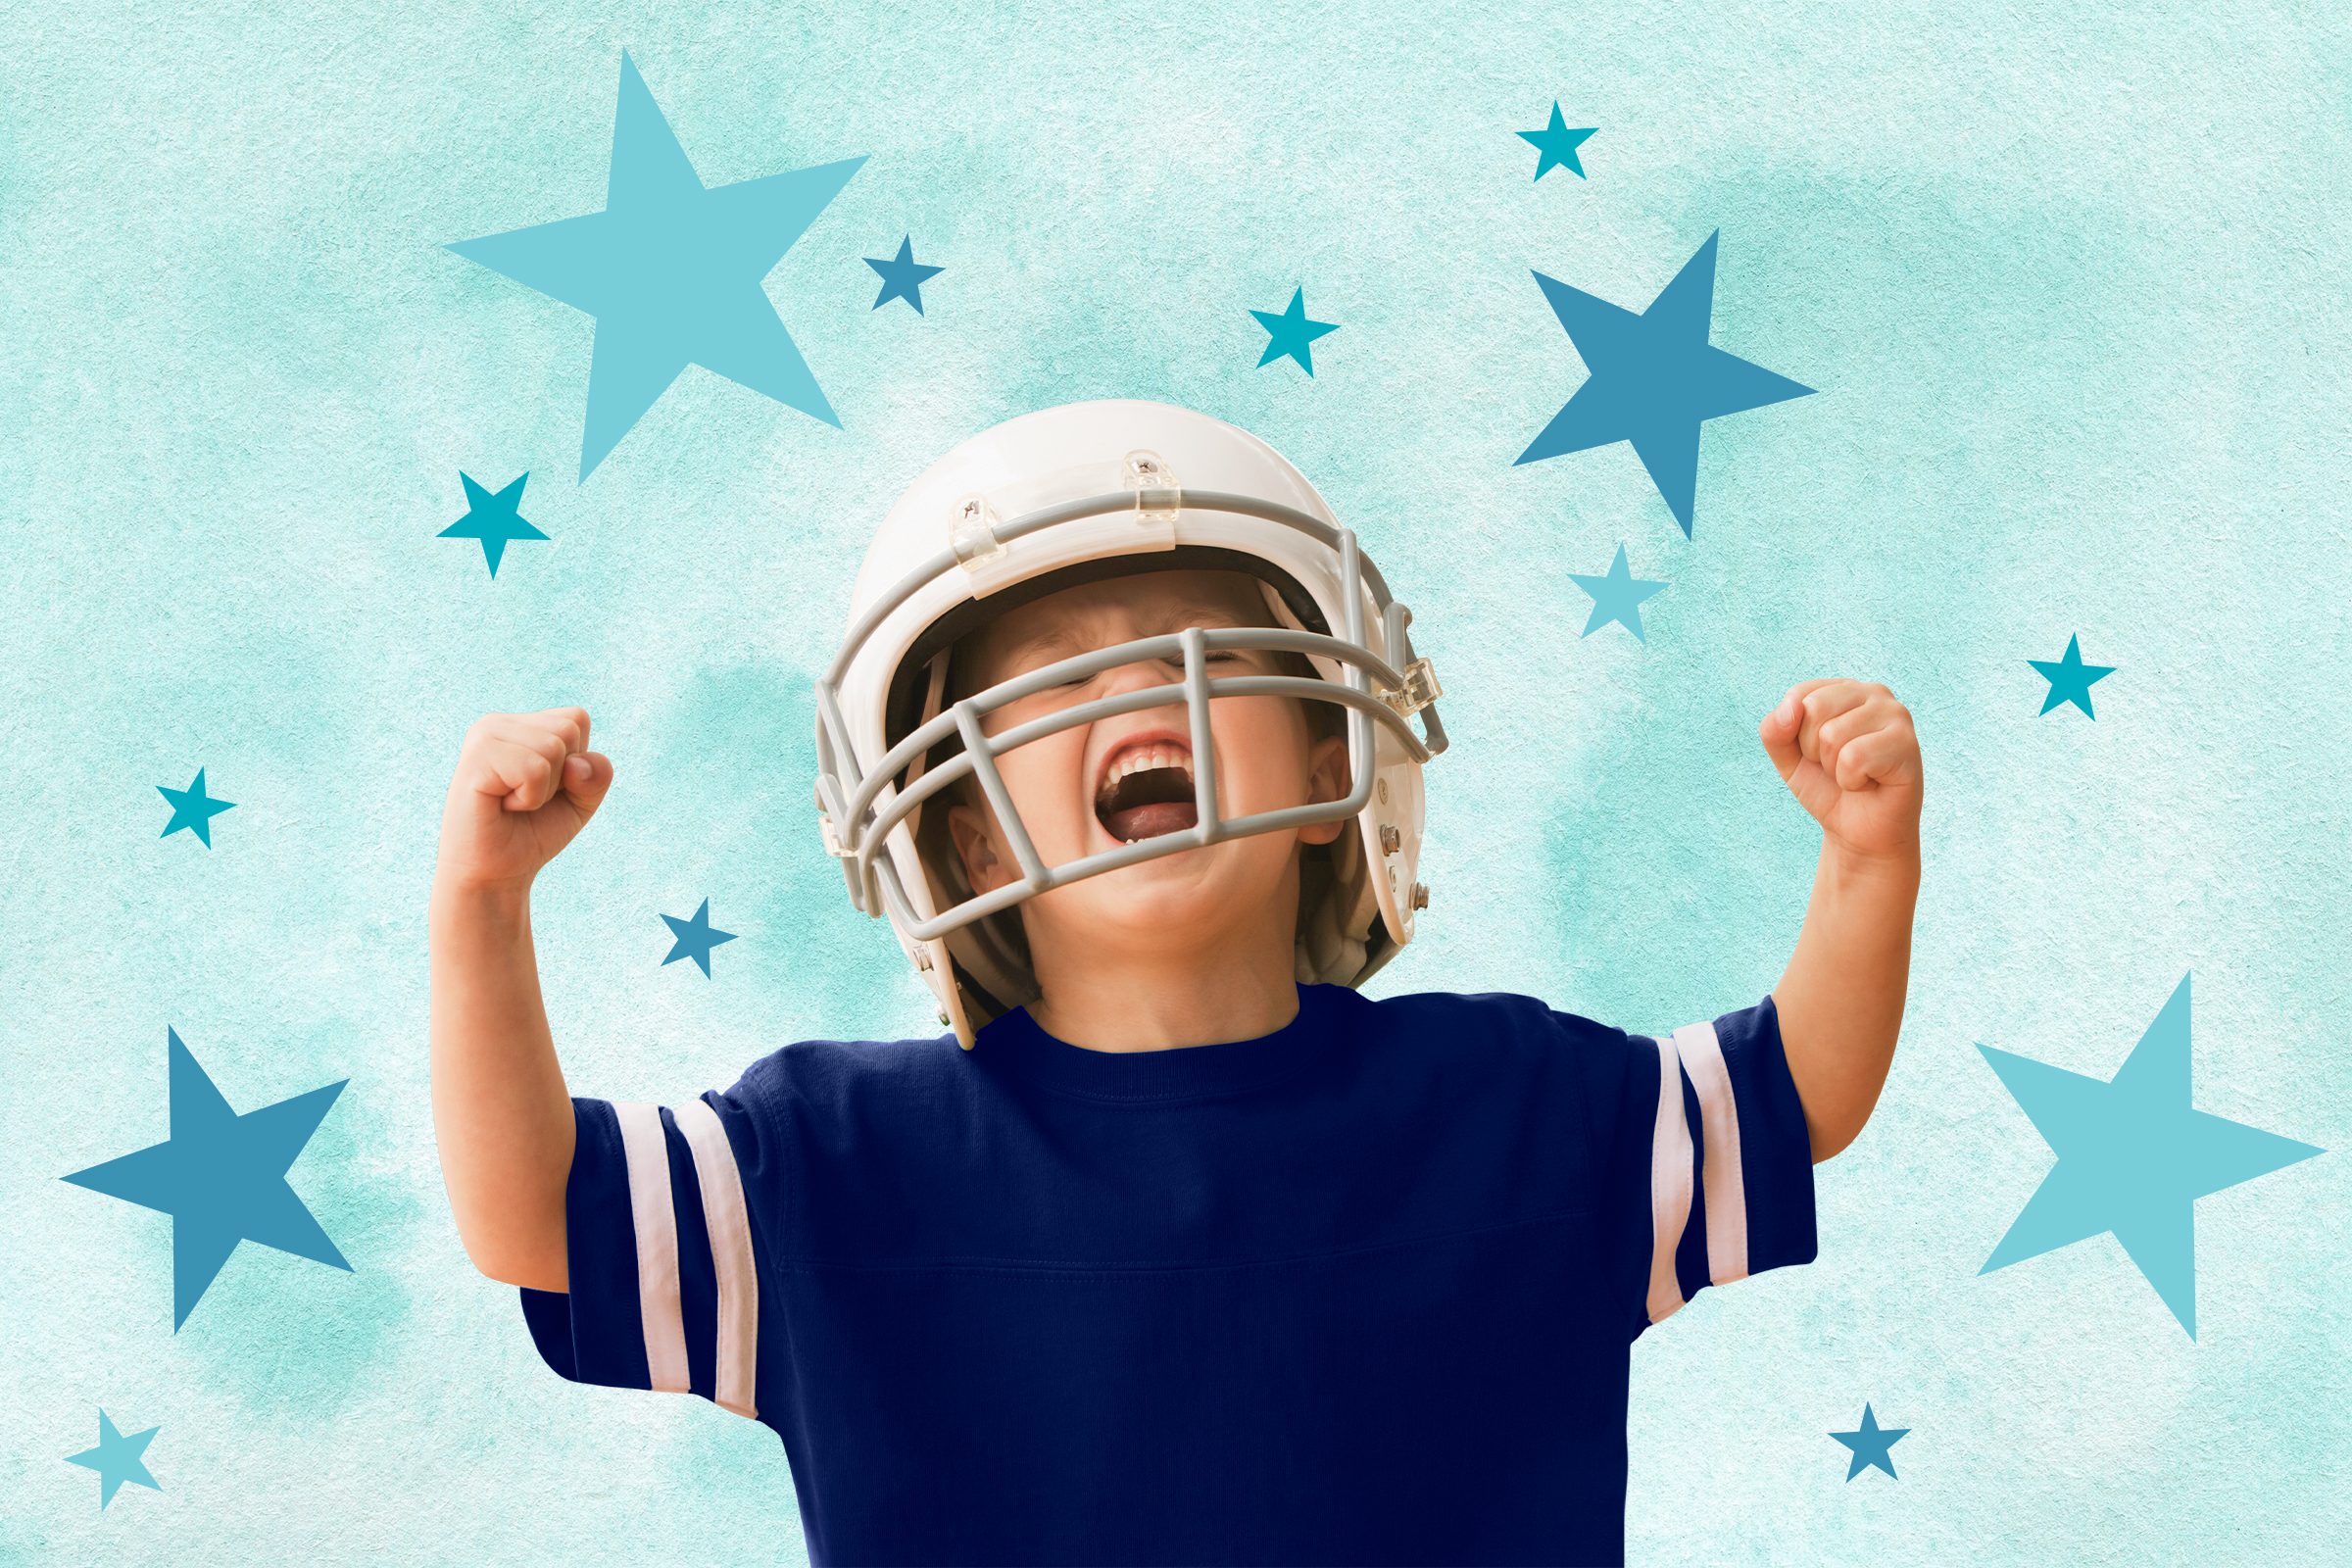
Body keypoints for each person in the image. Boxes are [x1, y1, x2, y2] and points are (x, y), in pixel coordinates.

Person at [429, 399, 1922, 1566]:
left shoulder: (1509, 1105)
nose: (1137, 691)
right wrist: (484, 906)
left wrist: (1867, 863)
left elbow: (1797, 1093)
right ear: (959, 822)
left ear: (1335, 752)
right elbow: (534, 1221)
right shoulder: (836, 1162)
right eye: (1058, 680)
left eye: (1191, 653)